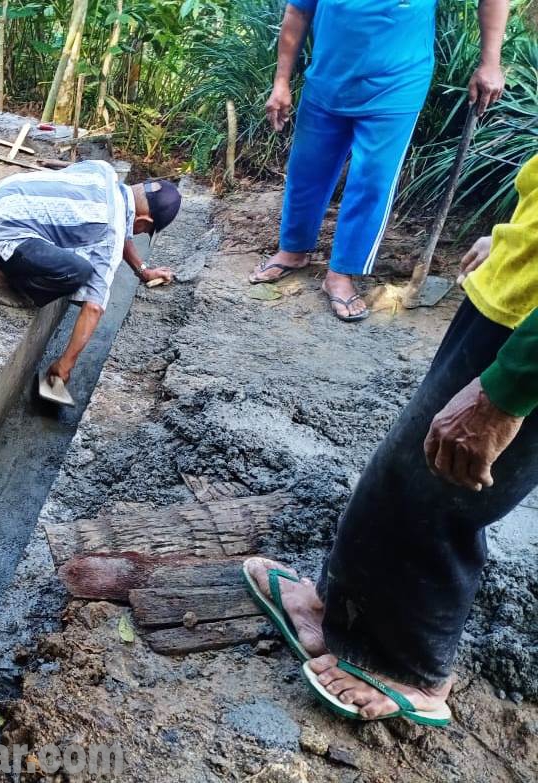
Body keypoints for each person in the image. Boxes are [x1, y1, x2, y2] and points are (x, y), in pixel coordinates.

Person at [244, 154, 538, 724]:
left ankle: (413, 670)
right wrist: (513, 240)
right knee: (402, 469)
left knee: (446, 491)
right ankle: (341, 614)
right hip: (518, 295)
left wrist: (507, 391)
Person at [249, 0, 508, 322]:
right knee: (306, 170)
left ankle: (341, 273)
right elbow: (298, 11)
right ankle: (293, 250)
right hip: (326, 82)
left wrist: (490, 62)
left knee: (372, 180)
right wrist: (281, 82)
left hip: (396, 85)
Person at [0, 160, 181, 394]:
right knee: (78, 272)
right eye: (145, 231)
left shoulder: (103, 171)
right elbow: (94, 308)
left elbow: (121, 230)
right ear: (144, 222)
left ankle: (6, 265)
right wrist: (64, 366)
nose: (138, 234)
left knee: (71, 253)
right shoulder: (111, 229)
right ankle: (1, 276)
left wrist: (142, 270)